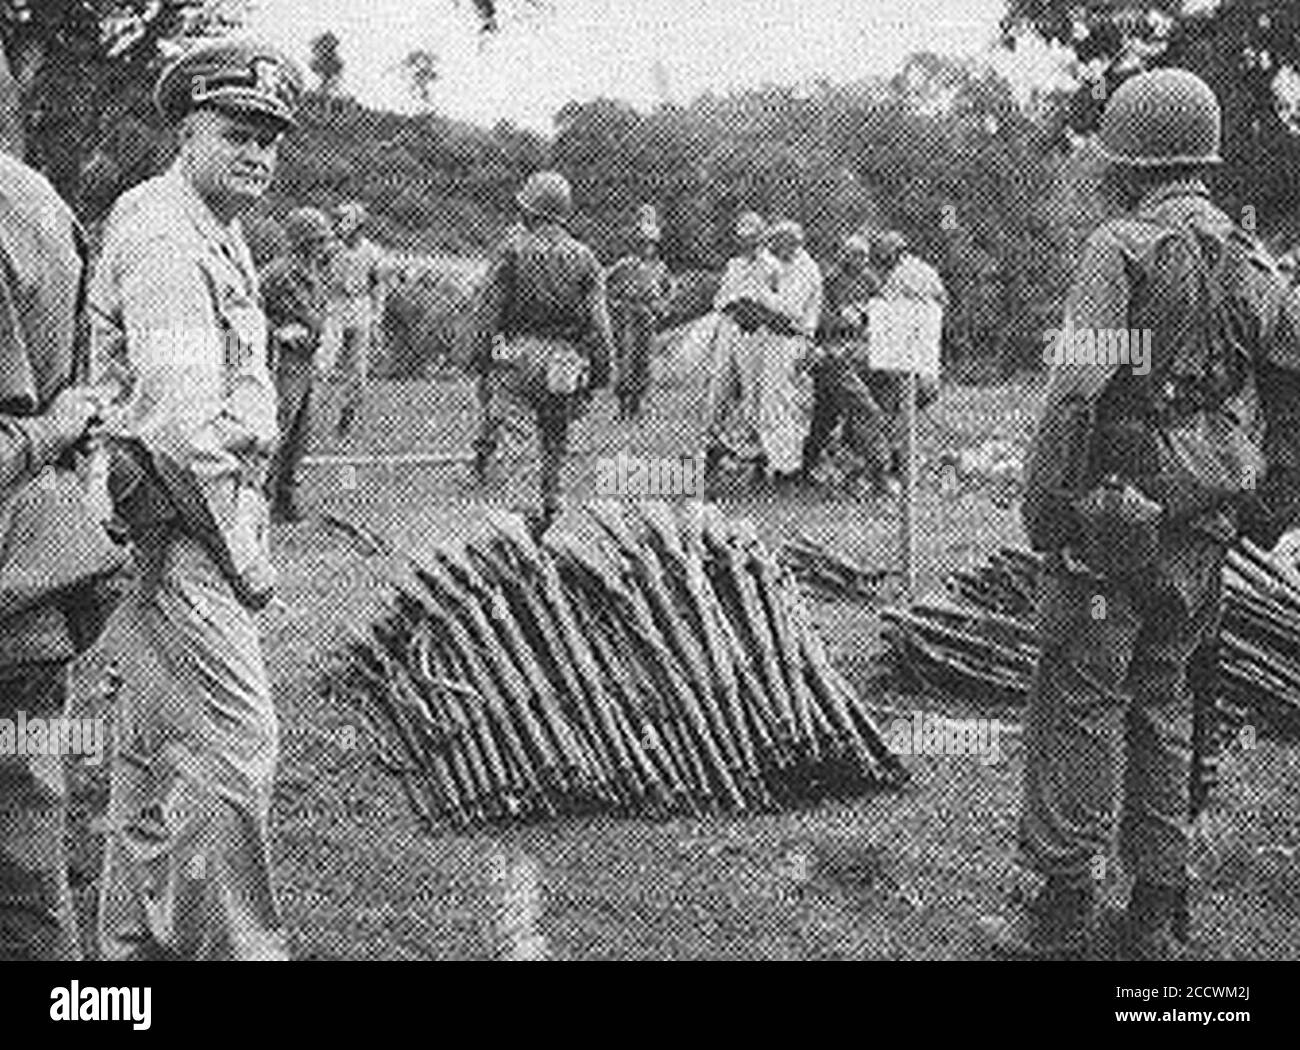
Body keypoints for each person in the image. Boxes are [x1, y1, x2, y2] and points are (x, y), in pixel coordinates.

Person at [976, 68, 1300, 961]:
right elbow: (1291, 377)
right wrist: (1271, 500)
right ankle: (1157, 914)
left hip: (1112, 516)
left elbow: (1078, 393)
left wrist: (1049, 506)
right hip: (1202, 522)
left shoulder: (1120, 250)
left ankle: (1060, 908)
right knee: (1164, 703)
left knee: (1082, 698)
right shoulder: (1251, 259)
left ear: (1129, 160)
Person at [89, 39, 304, 961]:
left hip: (168, 528)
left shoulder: (211, 225)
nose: (258, 153)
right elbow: (181, 432)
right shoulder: (170, 236)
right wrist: (241, 559)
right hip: (182, 530)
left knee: (147, 762)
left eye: (271, 138)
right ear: (187, 130)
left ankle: (128, 973)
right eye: (237, 133)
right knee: (234, 749)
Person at [0, 146, 121, 960]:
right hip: (32, 597)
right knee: (27, 845)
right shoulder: (39, 199)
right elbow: (68, 396)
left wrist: (45, 432)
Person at [471, 170, 612, 537]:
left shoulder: (512, 251)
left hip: (515, 354)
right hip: (564, 360)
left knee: (517, 438)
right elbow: (599, 325)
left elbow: (488, 311)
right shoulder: (586, 258)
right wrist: (599, 375)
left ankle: (520, 523)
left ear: (530, 211)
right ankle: (550, 508)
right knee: (555, 437)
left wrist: (482, 359)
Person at [800, 233, 890, 492]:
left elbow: (883, 313)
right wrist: (845, 320)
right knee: (864, 409)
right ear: (843, 254)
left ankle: (805, 468)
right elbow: (817, 321)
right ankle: (879, 475)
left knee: (826, 416)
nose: (859, 260)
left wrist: (868, 319)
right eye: (853, 254)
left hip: (862, 353)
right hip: (831, 355)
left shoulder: (870, 280)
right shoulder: (829, 281)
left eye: (863, 255)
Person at [262, 206, 334, 523]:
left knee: (300, 435)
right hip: (282, 363)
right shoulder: (276, 274)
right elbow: (240, 314)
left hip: (307, 362)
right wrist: (276, 332)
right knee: (276, 432)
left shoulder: (315, 273)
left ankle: (285, 500)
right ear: (302, 241)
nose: (323, 246)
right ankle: (260, 500)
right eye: (317, 240)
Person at [866, 230, 946, 490]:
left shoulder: (897, 278)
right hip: (927, 360)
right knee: (906, 420)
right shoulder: (928, 270)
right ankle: (907, 474)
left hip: (905, 360)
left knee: (890, 417)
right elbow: (944, 302)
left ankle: (893, 475)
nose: (880, 259)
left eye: (883, 254)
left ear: (893, 253)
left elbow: (882, 316)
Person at [704, 211, 777, 483]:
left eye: (752, 238)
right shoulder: (734, 265)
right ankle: (712, 452)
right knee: (719, 388)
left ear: (761, 238)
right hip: (730, 326)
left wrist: (755, 307)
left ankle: (759, 459)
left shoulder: (771, 266)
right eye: (743, 238)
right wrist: (732, 304)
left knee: (754, 391)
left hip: (757, 332)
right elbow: (720, 298)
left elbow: (775, 303)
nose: (747, 243)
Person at [757, 219, 822, 489]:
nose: (773, 250)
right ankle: (774, 461)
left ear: (791, 244)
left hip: (793, 341)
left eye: (777, 245)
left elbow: (790, 308)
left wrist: (759, 296)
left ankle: (789, 469)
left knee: (786, 404)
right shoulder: (787, 266)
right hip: (779, 340)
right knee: (774, 404)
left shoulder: (805, 269)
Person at [321, 200, 386, 439]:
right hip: (334, 307)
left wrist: (377, 318)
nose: (340, 226)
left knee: (358, 374)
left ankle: (345, 420)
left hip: (360, 307)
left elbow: (378, 286)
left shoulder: (371, 252)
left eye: (345, 222)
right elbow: (317, 276)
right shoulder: (330, 250)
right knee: (323, 365)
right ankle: (306, 418)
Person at [606, 206, 673, 420]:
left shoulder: (660, 269)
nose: (647, 248)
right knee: (625, 360)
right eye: (643, 244)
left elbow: (668, 292)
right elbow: (605, 283)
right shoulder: (625, 265)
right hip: (626, 316)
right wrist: (613, 302)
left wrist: (661, 307)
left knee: (642, 361)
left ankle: (637, 405)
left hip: (647, 317)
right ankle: (623, 406)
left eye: (651, 244)